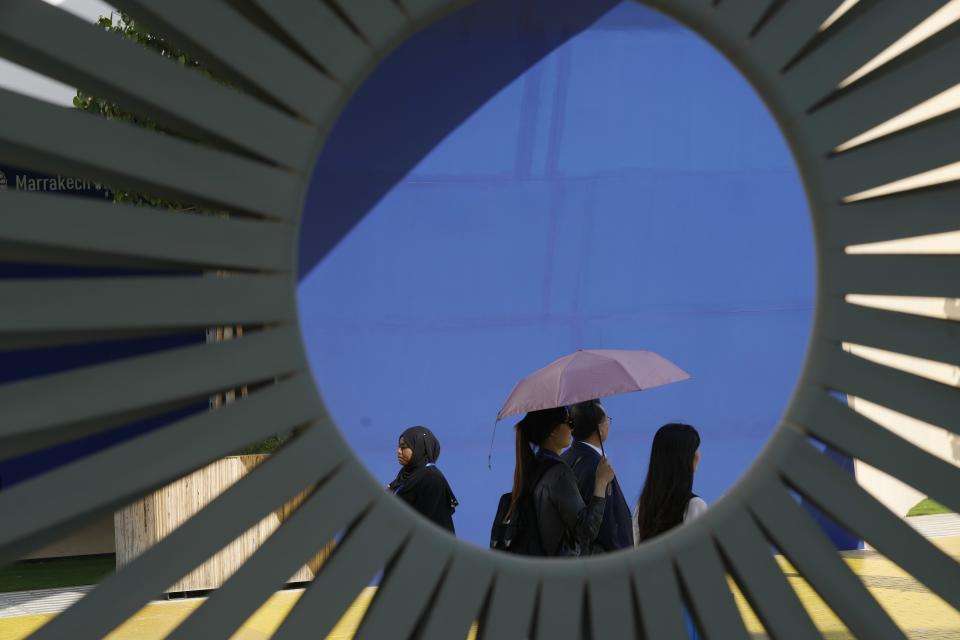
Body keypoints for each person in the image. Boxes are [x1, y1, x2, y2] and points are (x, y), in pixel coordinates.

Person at [506, 406, 616, 556]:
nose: (572, 428)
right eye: (569, 422)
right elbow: (586, 530)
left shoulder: (533, 467)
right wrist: (601, 483)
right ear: (553, 431)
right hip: (560, 573)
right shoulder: (559, 474)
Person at [561, 399, 634, 553]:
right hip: (605, 562)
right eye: (607, 420)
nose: (609, 423)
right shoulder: (597, 468)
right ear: (599, 430)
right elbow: (607, 522)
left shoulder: (566, 457)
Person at [633, 423, 706, 544]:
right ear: (687, 457)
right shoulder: (695, 505)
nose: (699, 454)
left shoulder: (643, 504)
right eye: (695, 449)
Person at [388, 426, 458, 533]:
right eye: (399, 447)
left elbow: (422, 522)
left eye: (404, 447)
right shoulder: (406, 475)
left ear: (419, 448)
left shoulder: (431, 478)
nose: (398, 451)